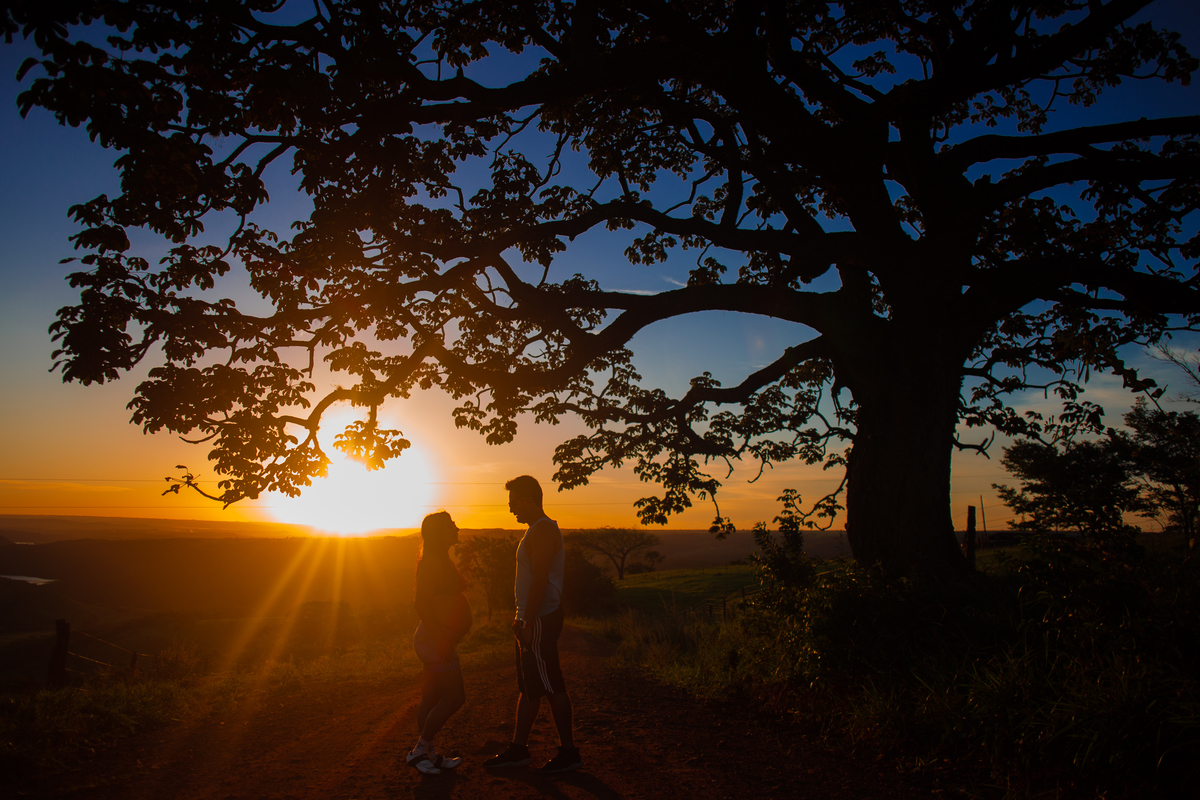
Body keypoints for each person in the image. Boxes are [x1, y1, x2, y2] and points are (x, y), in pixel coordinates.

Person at [483, 475, 582, 773]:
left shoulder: (541, 531)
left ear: (527, 500)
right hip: (534, 618)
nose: (511, 509)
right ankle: (518, 749)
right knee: (530, 687)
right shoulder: (538, 530)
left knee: (552, 685)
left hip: (538, 619)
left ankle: (569, 753)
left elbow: (539, 579)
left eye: (513, 503)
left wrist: (526, 619)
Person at [407, 511, 471, 775]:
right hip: (435, 640)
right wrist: (442, 639)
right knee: (455, 696)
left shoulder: (441, 559)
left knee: (431, 697)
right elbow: (420, 603)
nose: (456, 528)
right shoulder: (432, 562)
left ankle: (429, 754)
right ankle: (419, 751)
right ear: (438, 532)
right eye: (450, 525)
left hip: (438, 639)